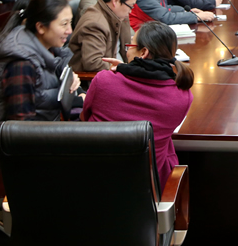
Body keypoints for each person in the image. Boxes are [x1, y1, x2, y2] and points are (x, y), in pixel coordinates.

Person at [81, 21, 194, 187]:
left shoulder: (103, 81)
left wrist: (124, 70)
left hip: (95, 178)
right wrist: (127, 69)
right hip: (149, 186)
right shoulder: (182, 96)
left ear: (143, 52)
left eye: (130, 46)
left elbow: (85, 118)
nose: (127, 51)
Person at [0, 0, 82, 140]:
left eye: (70, 23)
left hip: (46, 130)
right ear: (41, 27)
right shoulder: (21, 65)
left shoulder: (46, 48)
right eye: (64, 24)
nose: (69, 30)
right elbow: (22, 130)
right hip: (16, 147)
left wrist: (69, 86)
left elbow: (43, 96)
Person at [69, 0, 138, 72]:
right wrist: (123, 68)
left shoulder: (119, 14)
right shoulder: (94, 24)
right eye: (130, 6)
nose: (130, 11)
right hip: (99, 76)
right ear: (116, 1)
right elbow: (93, 62)